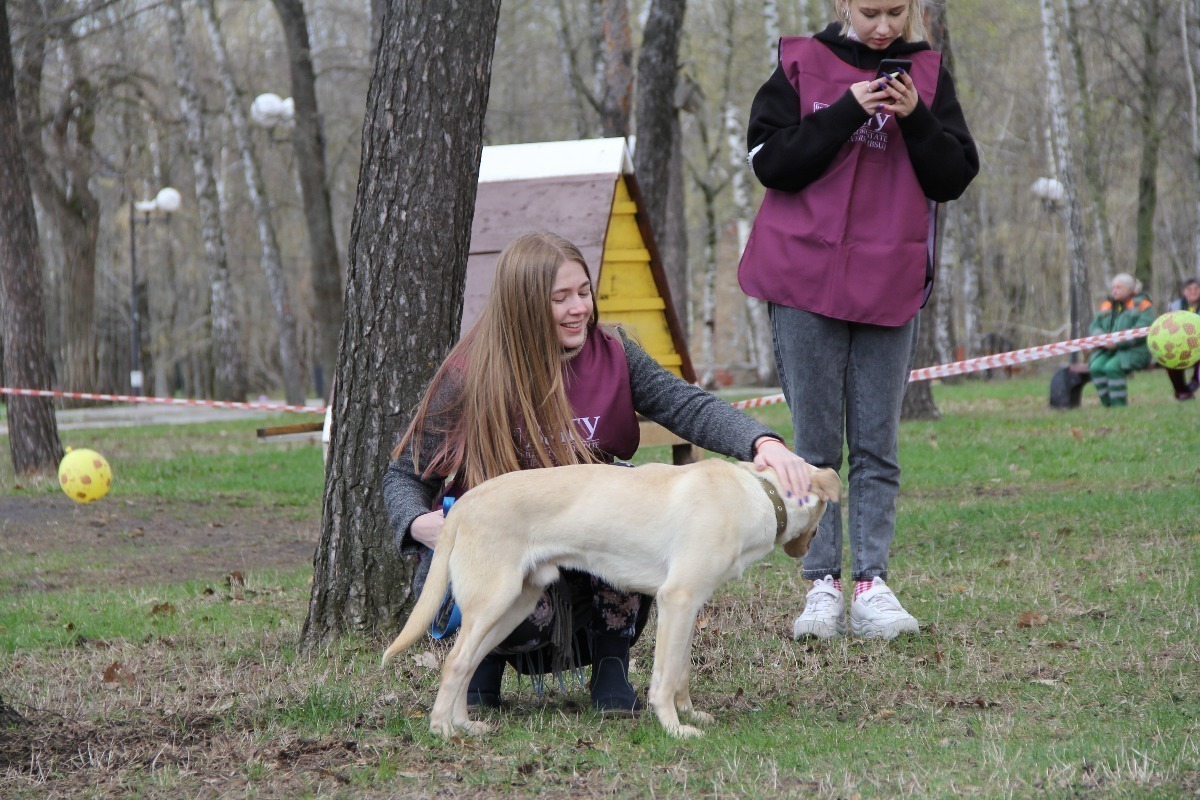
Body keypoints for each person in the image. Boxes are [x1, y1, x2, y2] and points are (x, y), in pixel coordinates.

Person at [383, 231, 813, 713]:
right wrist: (423, 526)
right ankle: (484, 664)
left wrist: (762, 442)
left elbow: (686, 405)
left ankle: (612, 665)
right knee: (520, 612)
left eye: (584, 292)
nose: (578, 309)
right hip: (502, 540)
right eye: (560, 298)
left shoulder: (613, 353)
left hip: (594, 542)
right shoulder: (469, 373)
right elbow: (404, 475)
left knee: (641, 514)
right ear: (523, 304)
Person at [738, 0, 979, 640]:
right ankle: (821, 585)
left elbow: (953, 177)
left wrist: (916, 120)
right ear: (844, 4)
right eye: (870, 11)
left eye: (896, 11)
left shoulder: (926, 76)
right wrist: (847, 109)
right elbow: (770, 163)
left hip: (888, 281)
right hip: (802, 279)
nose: (883, 26)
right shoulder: (799, 63)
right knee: (814, 445)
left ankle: (871, 584)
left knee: (876, 446)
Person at [1088, 273, 1154, 408]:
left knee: (1112, 367)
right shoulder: (1107, 306)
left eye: (1119, 287)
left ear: (1130, 289)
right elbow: (1094, 326)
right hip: (1107, 351)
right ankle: (1107, 405)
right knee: (1096, 367)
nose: (1114, 291)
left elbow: (1142, 331)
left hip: (1136, 350)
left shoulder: (1142, 305)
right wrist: (1103, 340)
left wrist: (1117, 343)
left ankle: (1118, 407)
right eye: (1113, 287)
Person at [1164, 278, 1200, 401]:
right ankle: (1182, 391)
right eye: (1189, 289)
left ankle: (1195, 382)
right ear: (1184, 292)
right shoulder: (1175, 306)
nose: (1193, 292)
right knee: (1170, 360)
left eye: (1196, 289)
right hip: (1181, 344)